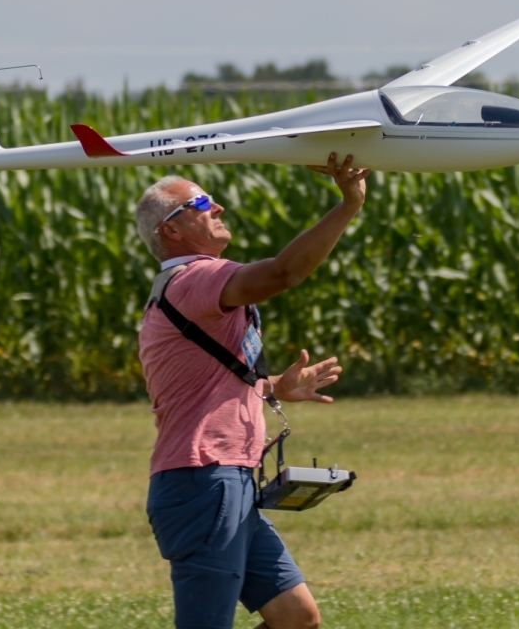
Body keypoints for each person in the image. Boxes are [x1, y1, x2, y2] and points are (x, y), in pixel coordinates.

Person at [137, 152, 370, 629]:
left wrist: (276, 386)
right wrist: (348, 205)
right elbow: (284, 273)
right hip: (204, 481)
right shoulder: (193, 279)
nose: (218, 207)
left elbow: (204, 383)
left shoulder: (184, 290)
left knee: (297, 618)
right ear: (171, 229)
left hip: (227, 480)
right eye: (201, 203)